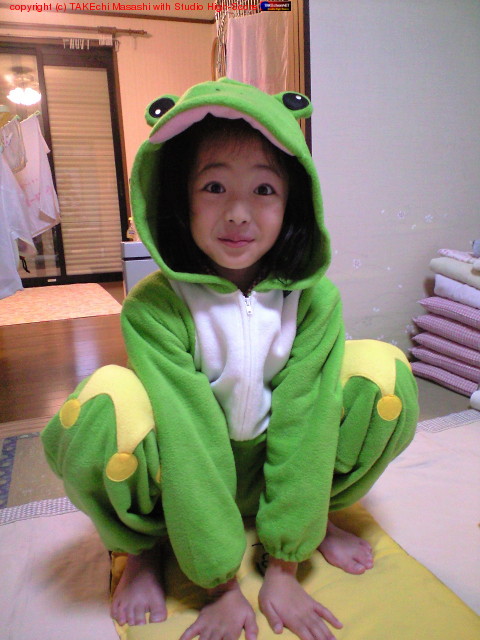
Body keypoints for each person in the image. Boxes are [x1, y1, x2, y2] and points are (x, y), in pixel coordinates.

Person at [41, 78, 418, 640]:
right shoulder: (154, 309)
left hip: (274, 467)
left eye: (264, 190)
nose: (239, 213)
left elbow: (307, 420)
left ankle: (315, 520)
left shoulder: (315, 302)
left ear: (293, 203)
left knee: (384, 376)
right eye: (214, 186)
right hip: (179, 479)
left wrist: (286, 563)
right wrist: (219, 585)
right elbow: (187, 433)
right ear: (180, 199)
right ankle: (142, 549)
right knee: (99, 408)